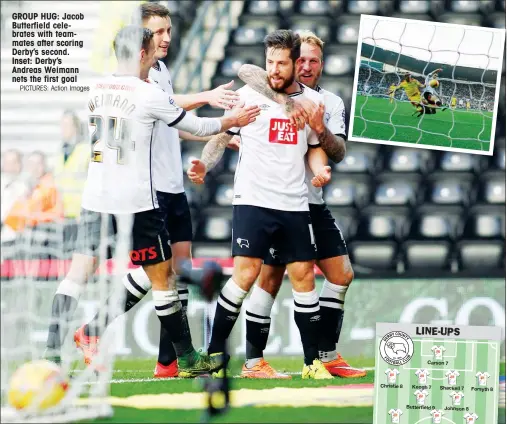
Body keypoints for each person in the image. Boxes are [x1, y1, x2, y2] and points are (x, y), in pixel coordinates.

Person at [44, 25, 260, 378]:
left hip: (95, 200)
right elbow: (197, 127)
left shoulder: (94, 88)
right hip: (137, 203)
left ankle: (51, 353)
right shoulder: (147, 93)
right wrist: (232, 121)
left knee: (76, 276)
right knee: (162, 280)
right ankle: (187, 359)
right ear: (143, 54)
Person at [188, 29, 334, 380]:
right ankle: (213, 355)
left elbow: (314, 146)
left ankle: (312, 363)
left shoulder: (312, 104)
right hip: (253, 200)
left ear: (297, 63)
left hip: (295, 203)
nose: (274, 69)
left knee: (303, 278)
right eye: (270, 61)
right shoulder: (250, 93)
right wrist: (204, 166)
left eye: (281, 63)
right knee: (245, 275)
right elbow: (223, 135)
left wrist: (320, 171)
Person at [236, 30, 365, 379]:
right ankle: (254, 361)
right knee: (270, 279)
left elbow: (337, 152)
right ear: (292, 63)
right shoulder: (273, 94)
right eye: (302, 59)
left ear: (321, 65)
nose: (306, 66)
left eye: (313, 61)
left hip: (313, 203)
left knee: (341, 274)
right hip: (279, 202)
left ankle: (327, 354)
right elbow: (246, 74)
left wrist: (320, 129)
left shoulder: (330, 102)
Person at [53, 110, 90, 255]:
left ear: (76, 127)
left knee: (82, 253)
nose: (63, 129)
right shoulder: (61, 151)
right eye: (62, 125)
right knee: (66, 253)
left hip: (82, 212)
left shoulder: (86, 150)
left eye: (67, 125)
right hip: (64, 212)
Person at [4, 151, 63, 239]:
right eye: (31, 164)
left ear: (45, 165)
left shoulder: (48, 186)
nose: (34, 168)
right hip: (26, 232)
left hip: (45, 233)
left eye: (38, 164)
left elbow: (31, 211)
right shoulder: (32, 185)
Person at [1, 149, 29, 247]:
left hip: (14, 239)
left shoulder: (25, 187)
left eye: (14, 162)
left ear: (20, 164)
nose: (10, 166)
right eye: (7, 162)